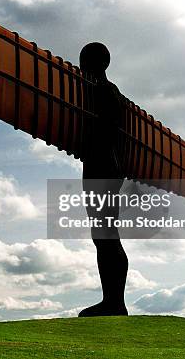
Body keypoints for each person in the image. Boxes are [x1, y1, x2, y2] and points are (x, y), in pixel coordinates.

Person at [78, 42, 129, 317]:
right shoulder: (107, 91)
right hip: (105, 167)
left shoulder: (102, 91)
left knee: (106, 234)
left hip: (103, 167)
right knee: (103, 235)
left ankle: (114, 301)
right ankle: (111, 299)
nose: (82, 68)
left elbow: (103, 132)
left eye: (84, 62)